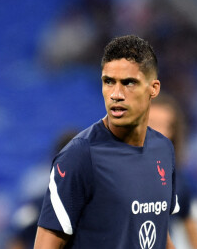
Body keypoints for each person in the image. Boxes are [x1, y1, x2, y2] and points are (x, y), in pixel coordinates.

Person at [34, 35, 179, 249]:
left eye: (129, 82)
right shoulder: (80, 155)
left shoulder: (163, 150)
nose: (116, 94)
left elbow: (159, 233)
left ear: (153, 89)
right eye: (108, 82)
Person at [148, 94, 197, 249]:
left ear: (173, 132)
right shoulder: (115, 170)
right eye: (151, 122)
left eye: (163, 124)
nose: (156, 131)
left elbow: (195, 236)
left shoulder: (179, 181)